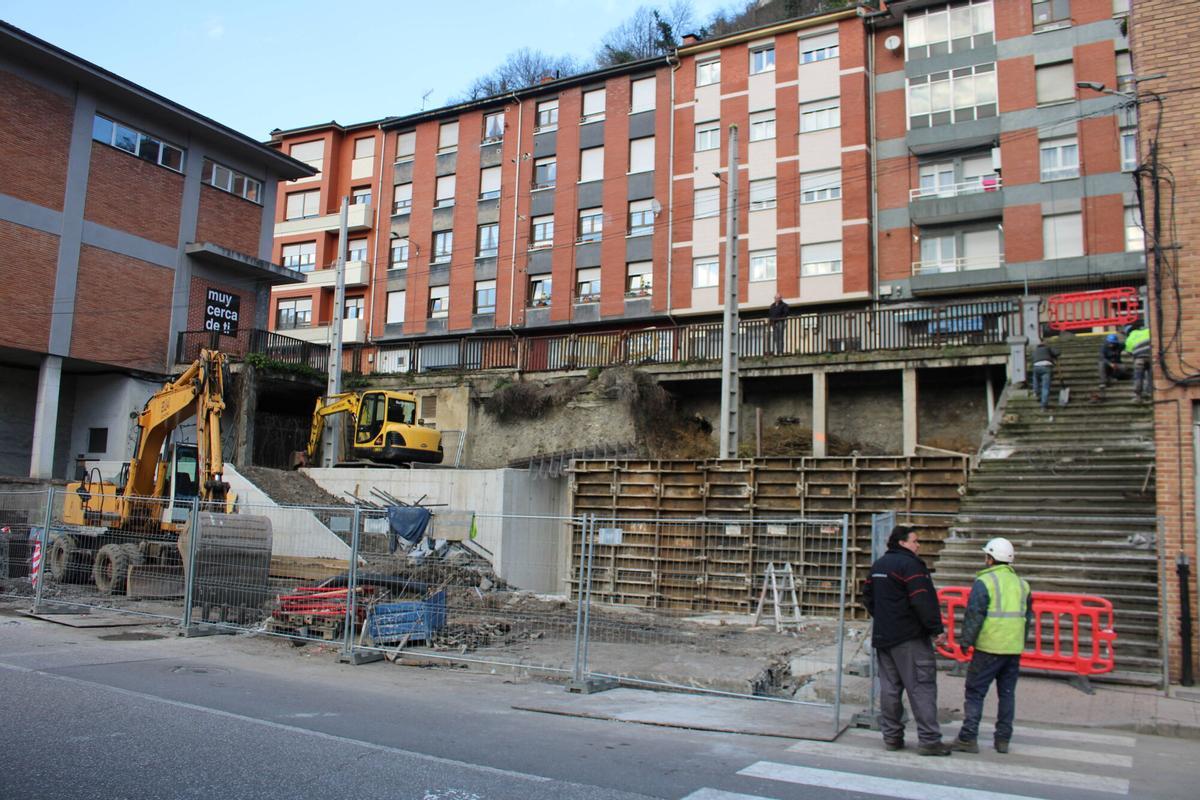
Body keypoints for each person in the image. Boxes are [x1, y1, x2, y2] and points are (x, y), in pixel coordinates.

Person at [862, 525, 953, 756]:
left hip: (884, 636)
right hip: (910, 638)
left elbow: (868, 598)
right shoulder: (911, 566)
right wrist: (936, 630)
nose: (918, 545)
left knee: (890, 689)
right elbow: (923, 601)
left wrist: (885, 618)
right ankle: (929, 740)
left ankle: (892, 737)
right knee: (921, 687)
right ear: (902, 543)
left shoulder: (879, 565)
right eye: (915, 541)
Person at [949, 537, 1033, 755]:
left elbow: (974, 614)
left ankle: (968, 737)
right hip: (1013, 648)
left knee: (975, 692)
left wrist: (966, 641)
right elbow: (1028, 617)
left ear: (990, 558)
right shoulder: (1023, 585)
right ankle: (1003, 739)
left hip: (988, 647)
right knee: (1006, 694)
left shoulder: (984, 582)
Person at [1124, 322, 1152, 401]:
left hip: (1139, 359)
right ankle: (1151, 394)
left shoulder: (1130, 337)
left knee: (1138, 377)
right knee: (1150, 377)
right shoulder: (1148, 331)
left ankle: (1138, 396)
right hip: (1151, 356)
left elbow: (1129, 351)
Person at [1030, 341, 1059, 411]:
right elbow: (1058, 352)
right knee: (1045, 387)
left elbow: (1032, 358)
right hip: (1046, 367)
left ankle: (1036, 393)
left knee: (1035, 380)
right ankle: (1043, 406)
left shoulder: (1035, 351)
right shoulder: (1047, 348)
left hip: (1036, 367)